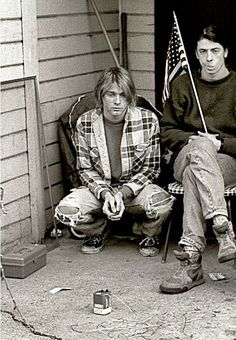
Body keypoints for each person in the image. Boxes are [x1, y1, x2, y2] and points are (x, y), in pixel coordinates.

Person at [55, 66, 175, 256]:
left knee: (163, 203)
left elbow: (151, 169)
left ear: (130, 97)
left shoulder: (147, 120)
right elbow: (85, 169)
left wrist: (122, 194)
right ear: (100, 96)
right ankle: (97, 230)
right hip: (100, 190)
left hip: (136, 190)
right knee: (66, 211)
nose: (117, 102)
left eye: (123, 95)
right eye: (111, 94)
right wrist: (106, 194)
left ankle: (147, 232)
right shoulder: (85, 122)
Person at [159, 24, 236, 294]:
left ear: (226, 51)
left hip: (226, 160)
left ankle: (191, 262)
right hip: (186, 153)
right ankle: (222, 226)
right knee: (198, 151)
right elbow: (166, 130)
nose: (209, 58)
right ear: (195, 53)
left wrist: (220, 142)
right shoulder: (182, 84)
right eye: (203, 51)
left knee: (195, 175)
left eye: (215, 51)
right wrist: (194, 141)